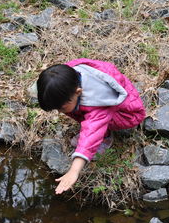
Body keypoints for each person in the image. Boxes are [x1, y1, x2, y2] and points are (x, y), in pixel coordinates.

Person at [37, 58, 146, 194]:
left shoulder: (98, 102)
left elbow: (91, 132)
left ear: (78, 92)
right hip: (110, 104)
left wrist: (74, 171)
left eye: (61, 108)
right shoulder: (70, 73)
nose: (59, 112)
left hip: (127, 114)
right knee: (74, 110)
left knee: (92, 124)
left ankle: (105, 137)